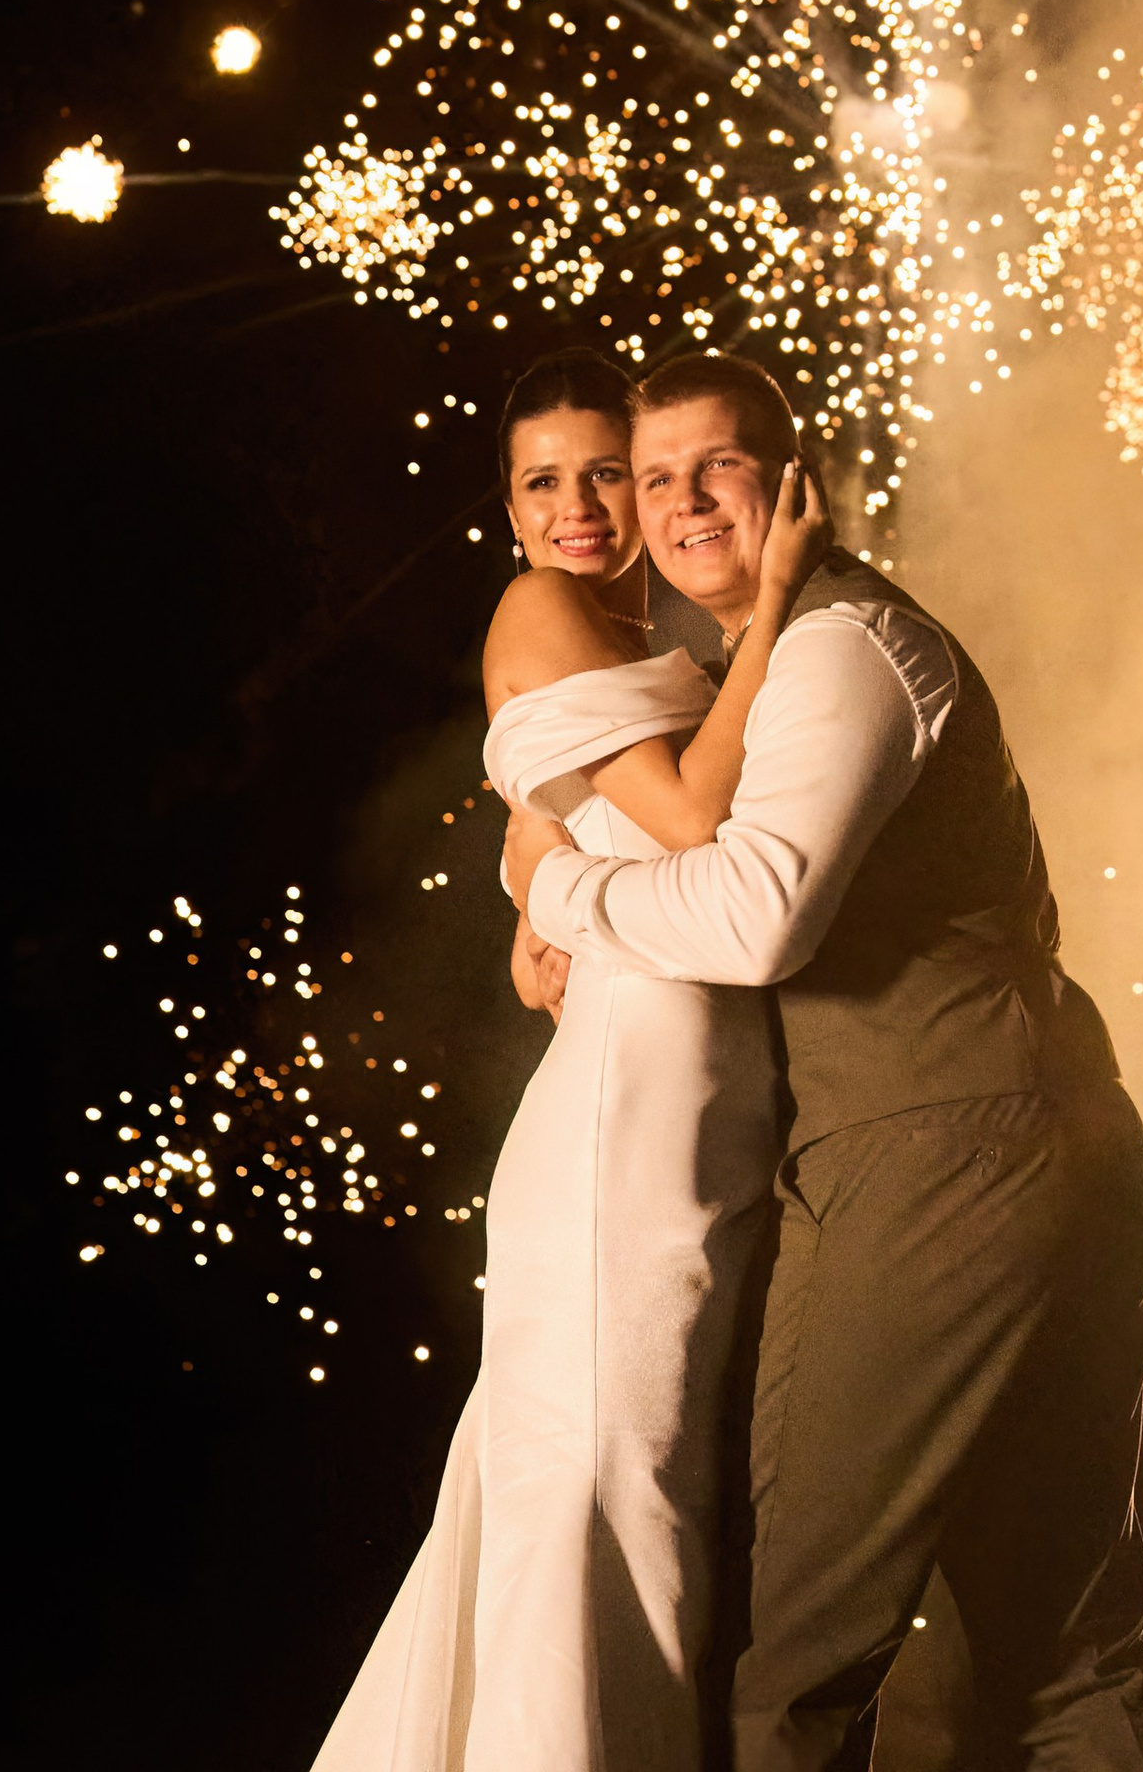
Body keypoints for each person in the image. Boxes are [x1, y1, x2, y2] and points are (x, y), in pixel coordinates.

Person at [507, 353, 1143, 1772]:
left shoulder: (843, 643)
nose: (685, 499)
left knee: (790, 1655)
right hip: (1008, 1129)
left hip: (937, 1150)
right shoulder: (758, 661)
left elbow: (753, 915)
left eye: (723, 465)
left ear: (794, 479)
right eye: (657, 475)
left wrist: (556, 889)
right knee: (1058, 1646)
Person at [312, 345, 835, 1772]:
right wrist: (783, 599)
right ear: (510, 511)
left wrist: (531, 875)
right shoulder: (544, 608)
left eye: (610, 469)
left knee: (624, 1473)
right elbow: (685, 823)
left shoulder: (651, 639)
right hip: (628, 1103)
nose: (582, 506)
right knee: (612, 1480)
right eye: (544, 482)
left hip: (685, 1084)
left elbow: (593, 819)